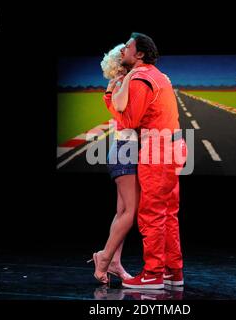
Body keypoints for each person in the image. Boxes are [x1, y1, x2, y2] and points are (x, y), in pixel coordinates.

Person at [104, 33, 187, 289]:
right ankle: (174, 272)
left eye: (127, 47)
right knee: (169, 214)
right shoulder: (158, 75)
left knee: (151, 214)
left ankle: (153, 275)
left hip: (158, 149)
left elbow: (129, 121)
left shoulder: (140, 79)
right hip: (175, 146)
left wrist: (108, 97)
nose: (123, 51)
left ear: (139, 54)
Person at [87, 44, 147, 284]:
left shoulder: (118, 85)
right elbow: (130, 117)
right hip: (125, 151)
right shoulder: (124, 83)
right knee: (129, 213)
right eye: (126, 53)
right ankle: (104, 258)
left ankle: (114, 261)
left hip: (124, 150)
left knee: (123, 212)